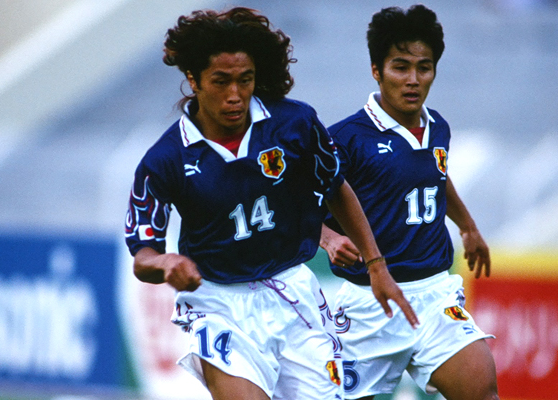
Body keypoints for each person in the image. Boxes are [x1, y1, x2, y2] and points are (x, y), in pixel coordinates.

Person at [124, 7, 418, 400]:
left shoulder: (293, 124)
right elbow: (143, 256)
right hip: (218, 304)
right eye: (221, 81)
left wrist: (375, 264)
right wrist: (166, 263)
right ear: (194, 80)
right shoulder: (165, 159)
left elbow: (336, 187)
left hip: (292, 292)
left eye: (245, 80)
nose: (235, 95)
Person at [319, 5, 499, 400]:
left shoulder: (438, 126)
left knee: (481, 390)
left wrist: (467, 226)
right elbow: (299, 202)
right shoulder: (345, 138)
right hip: (369, 303)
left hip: (434, 295)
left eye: (424, 67)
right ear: (376, 70)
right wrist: (329, 240)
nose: (413, 79)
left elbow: (435, 176)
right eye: (400, 67)